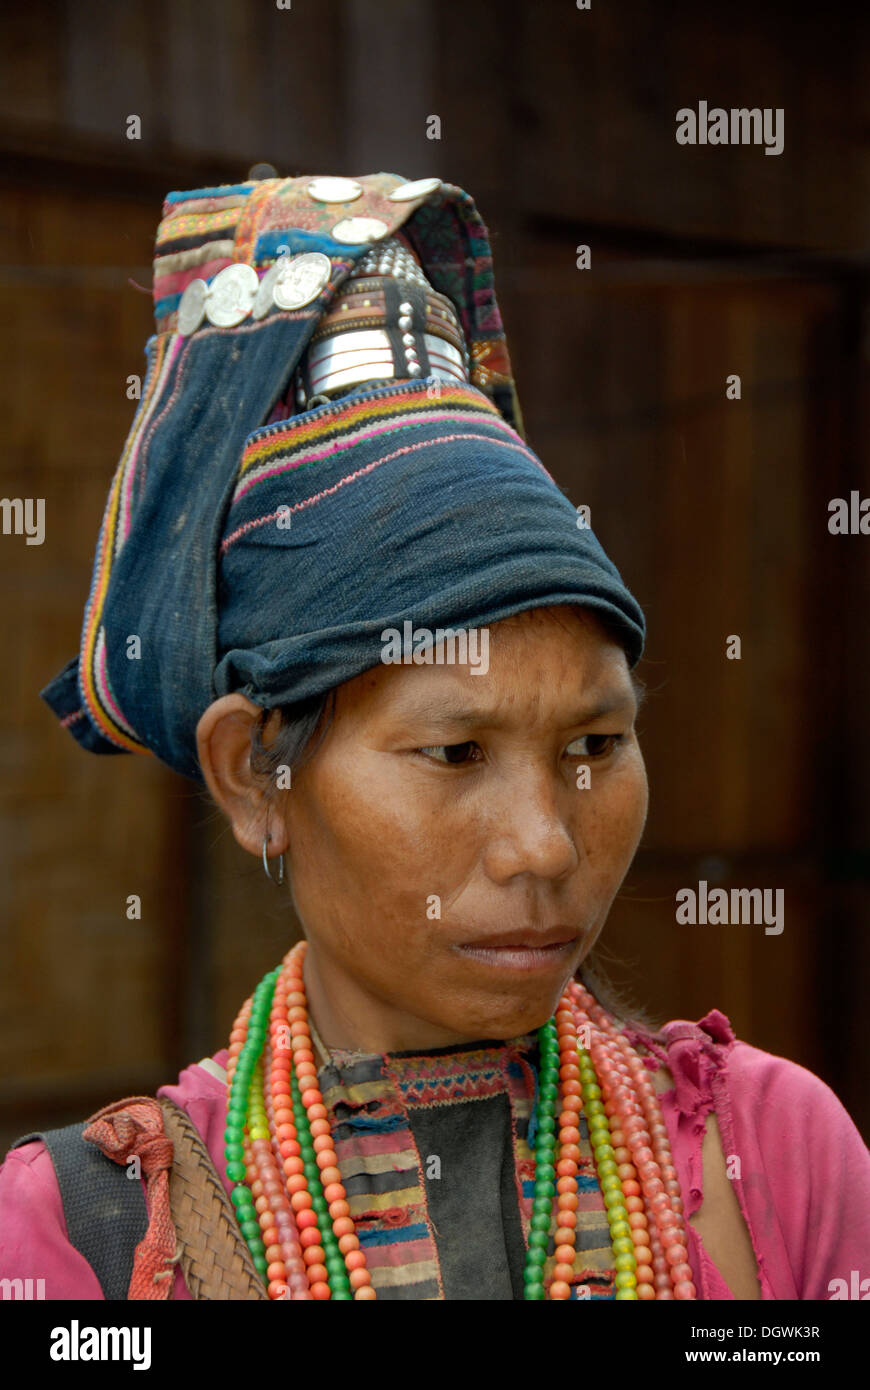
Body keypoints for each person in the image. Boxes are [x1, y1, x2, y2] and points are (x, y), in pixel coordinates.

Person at [1, 171, 868, 1302]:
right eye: (456, 754)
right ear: (254, 774)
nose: (544, 847)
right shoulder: (83, 1231)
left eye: (595, 745)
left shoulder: (775, 1152)